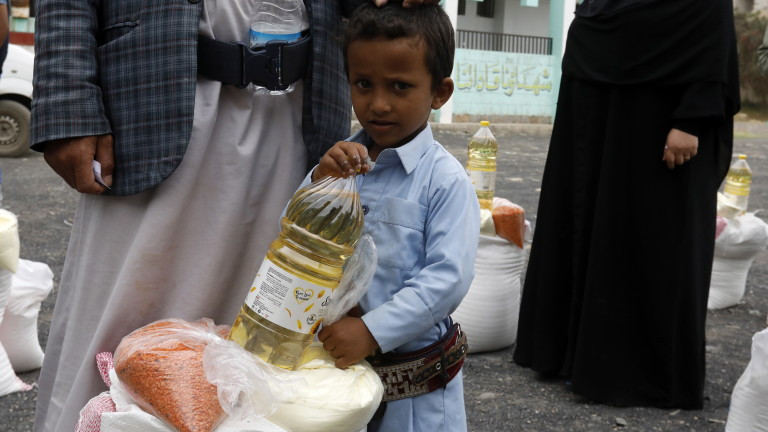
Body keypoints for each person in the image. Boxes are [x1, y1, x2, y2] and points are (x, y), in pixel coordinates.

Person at [30, 0, 437, 431]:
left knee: (271, 335)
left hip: (292, 116)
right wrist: (65, 100)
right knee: (125, 325)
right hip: (151, 107)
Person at [513, 0, 740, 410]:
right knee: (590, 226)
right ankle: (574, 356)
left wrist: (693, 116)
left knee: (649, 237)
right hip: (597, 105)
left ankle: (638, 374)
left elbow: (712, 26)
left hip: (659, 116)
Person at [303, 3, 479, 430]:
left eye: (400, 86)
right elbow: (292, 242)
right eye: (363, 84)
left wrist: (372, 331)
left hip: (414, 394)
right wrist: (319, 184)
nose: (378, 104)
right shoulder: (340, 165)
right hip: (337, 376)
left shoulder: (445, 181)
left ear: (439, 93)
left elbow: (447, 279)